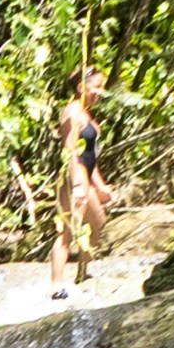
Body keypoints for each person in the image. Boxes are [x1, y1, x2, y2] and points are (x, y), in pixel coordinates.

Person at [51, 59, 114, 297]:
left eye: (101, 87)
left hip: (85, 178)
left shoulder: (87, 115)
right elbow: (71, 151)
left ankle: (82, 273)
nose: (100, 92)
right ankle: (56, 286)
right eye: (96, 86)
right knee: (68, 231)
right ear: (81, 87)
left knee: (97, 224)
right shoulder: (72, 112)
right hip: (73, 179)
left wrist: (101, 186)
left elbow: (91, 157)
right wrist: (78, 184)